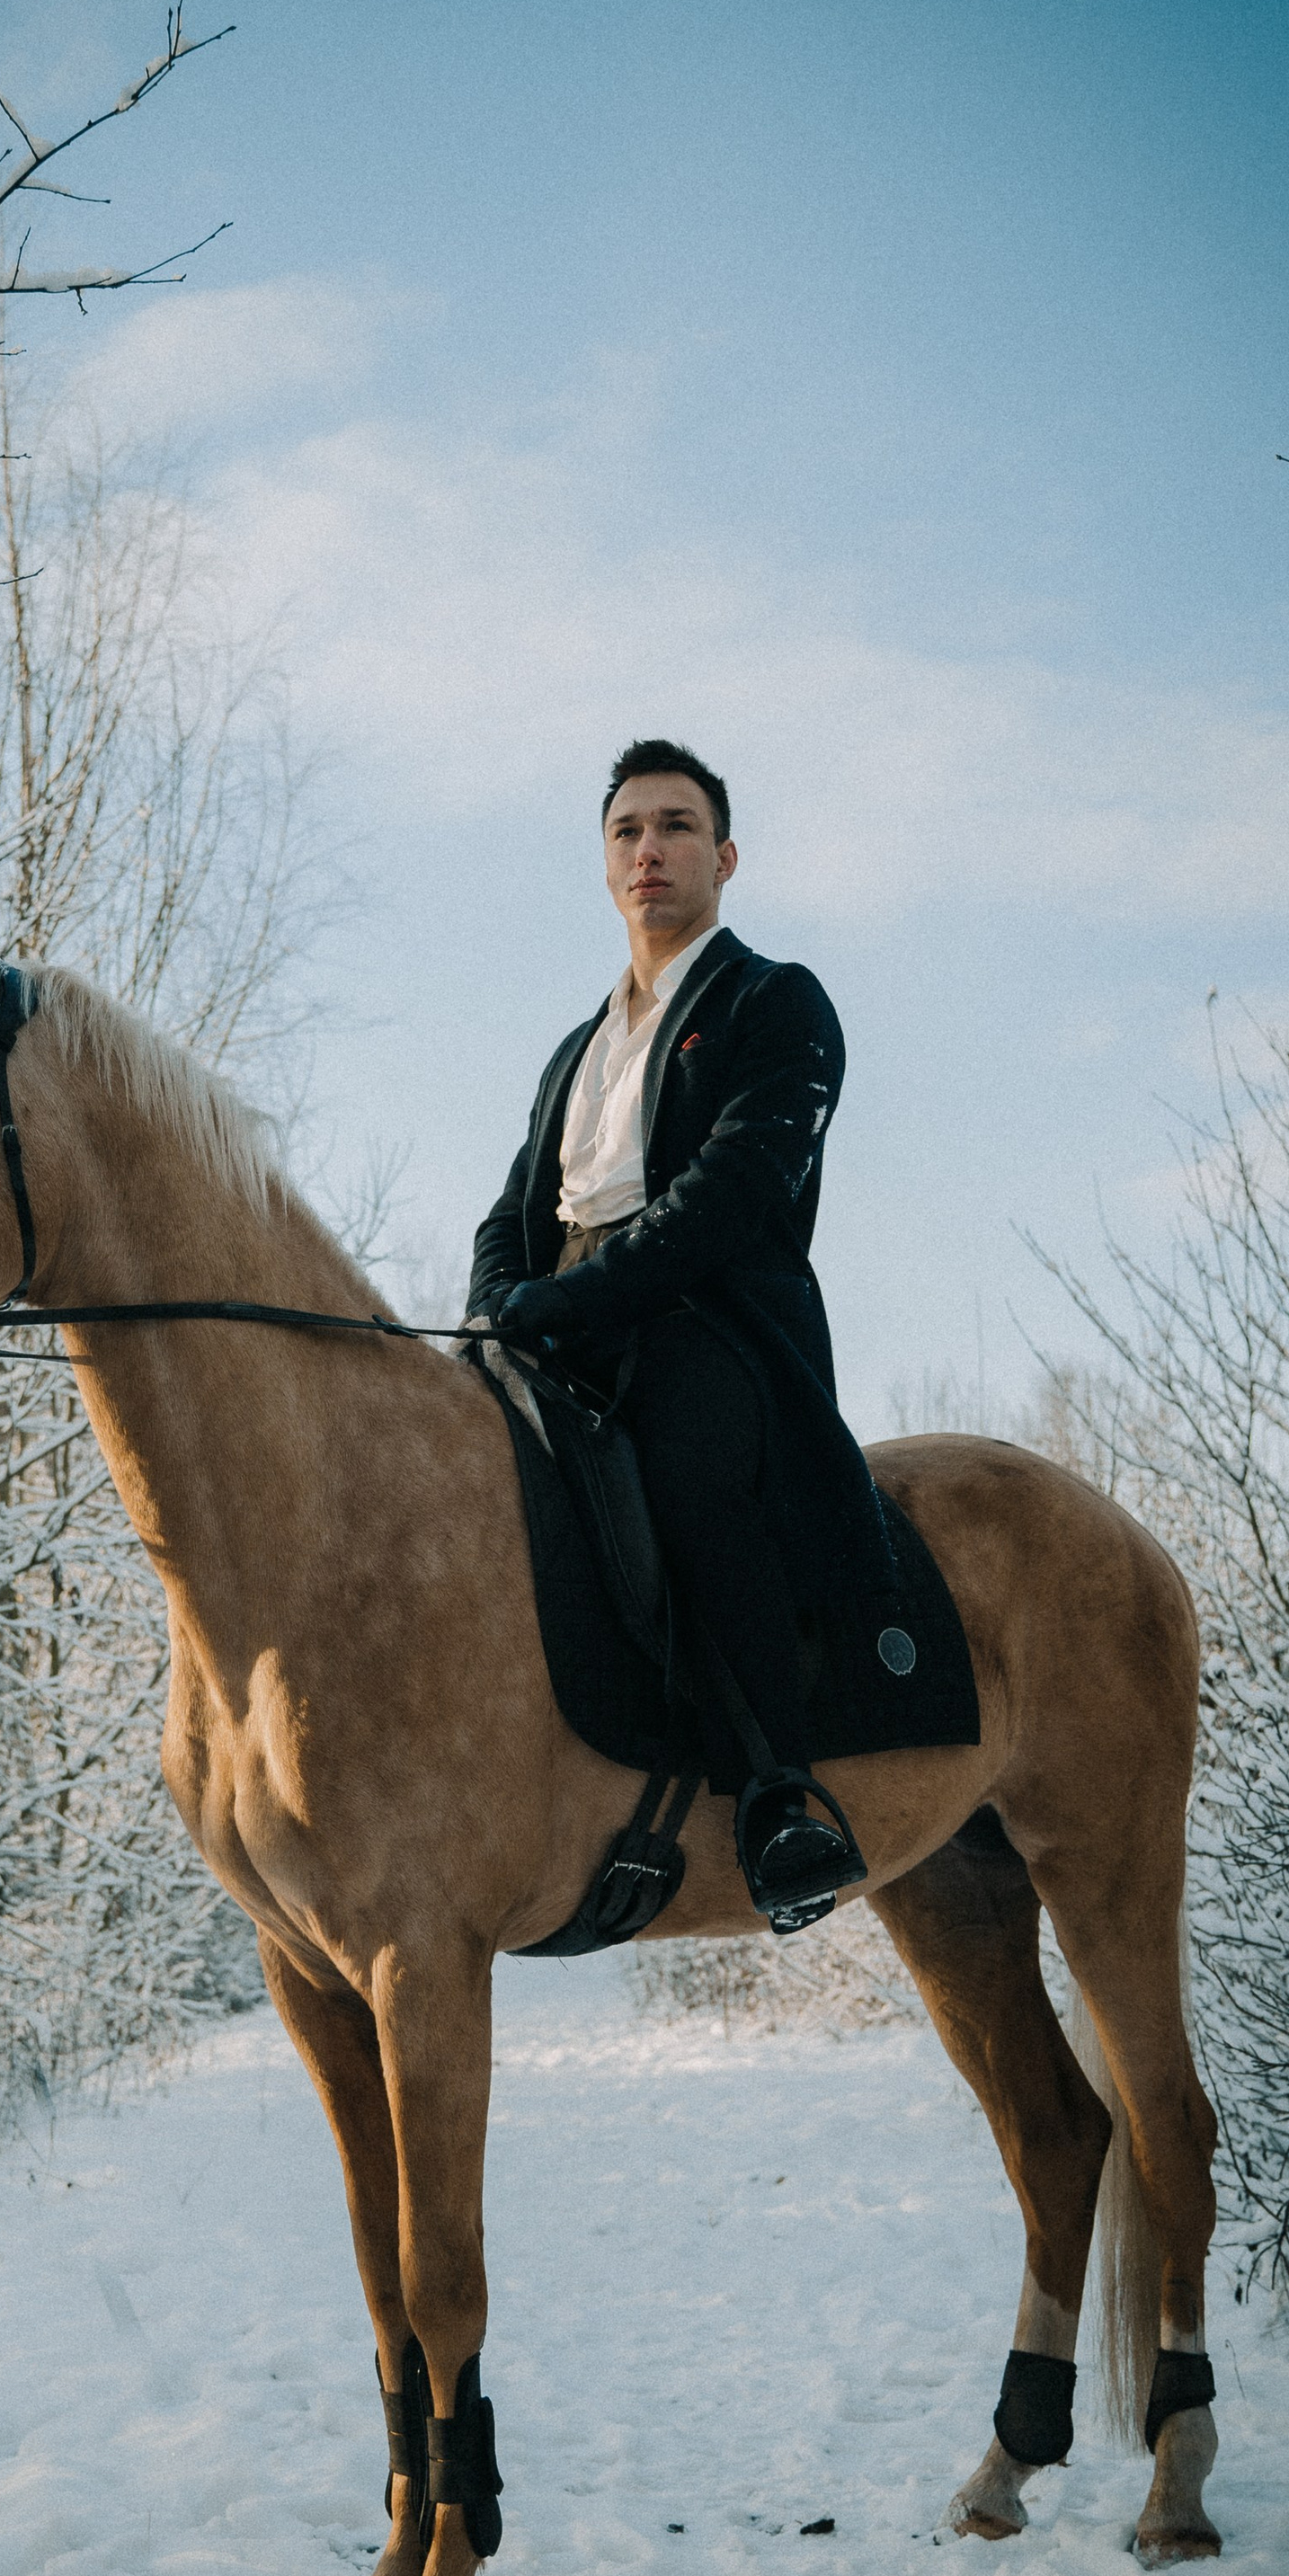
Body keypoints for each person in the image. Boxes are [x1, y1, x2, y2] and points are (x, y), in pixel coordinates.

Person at [467, 737, 870, 1930]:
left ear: (725, 855)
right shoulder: (575, 1051)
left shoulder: (775, 1000)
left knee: (687, 1462)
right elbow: (512, 1209)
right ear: (605, 864)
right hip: (566, 1321)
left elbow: (734, 1194)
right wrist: (500, 1307)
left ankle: (780, 1796)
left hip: (713, 1321)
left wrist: (578, 1300)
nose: (651, 847)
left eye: (678, 825)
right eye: (629, 829)